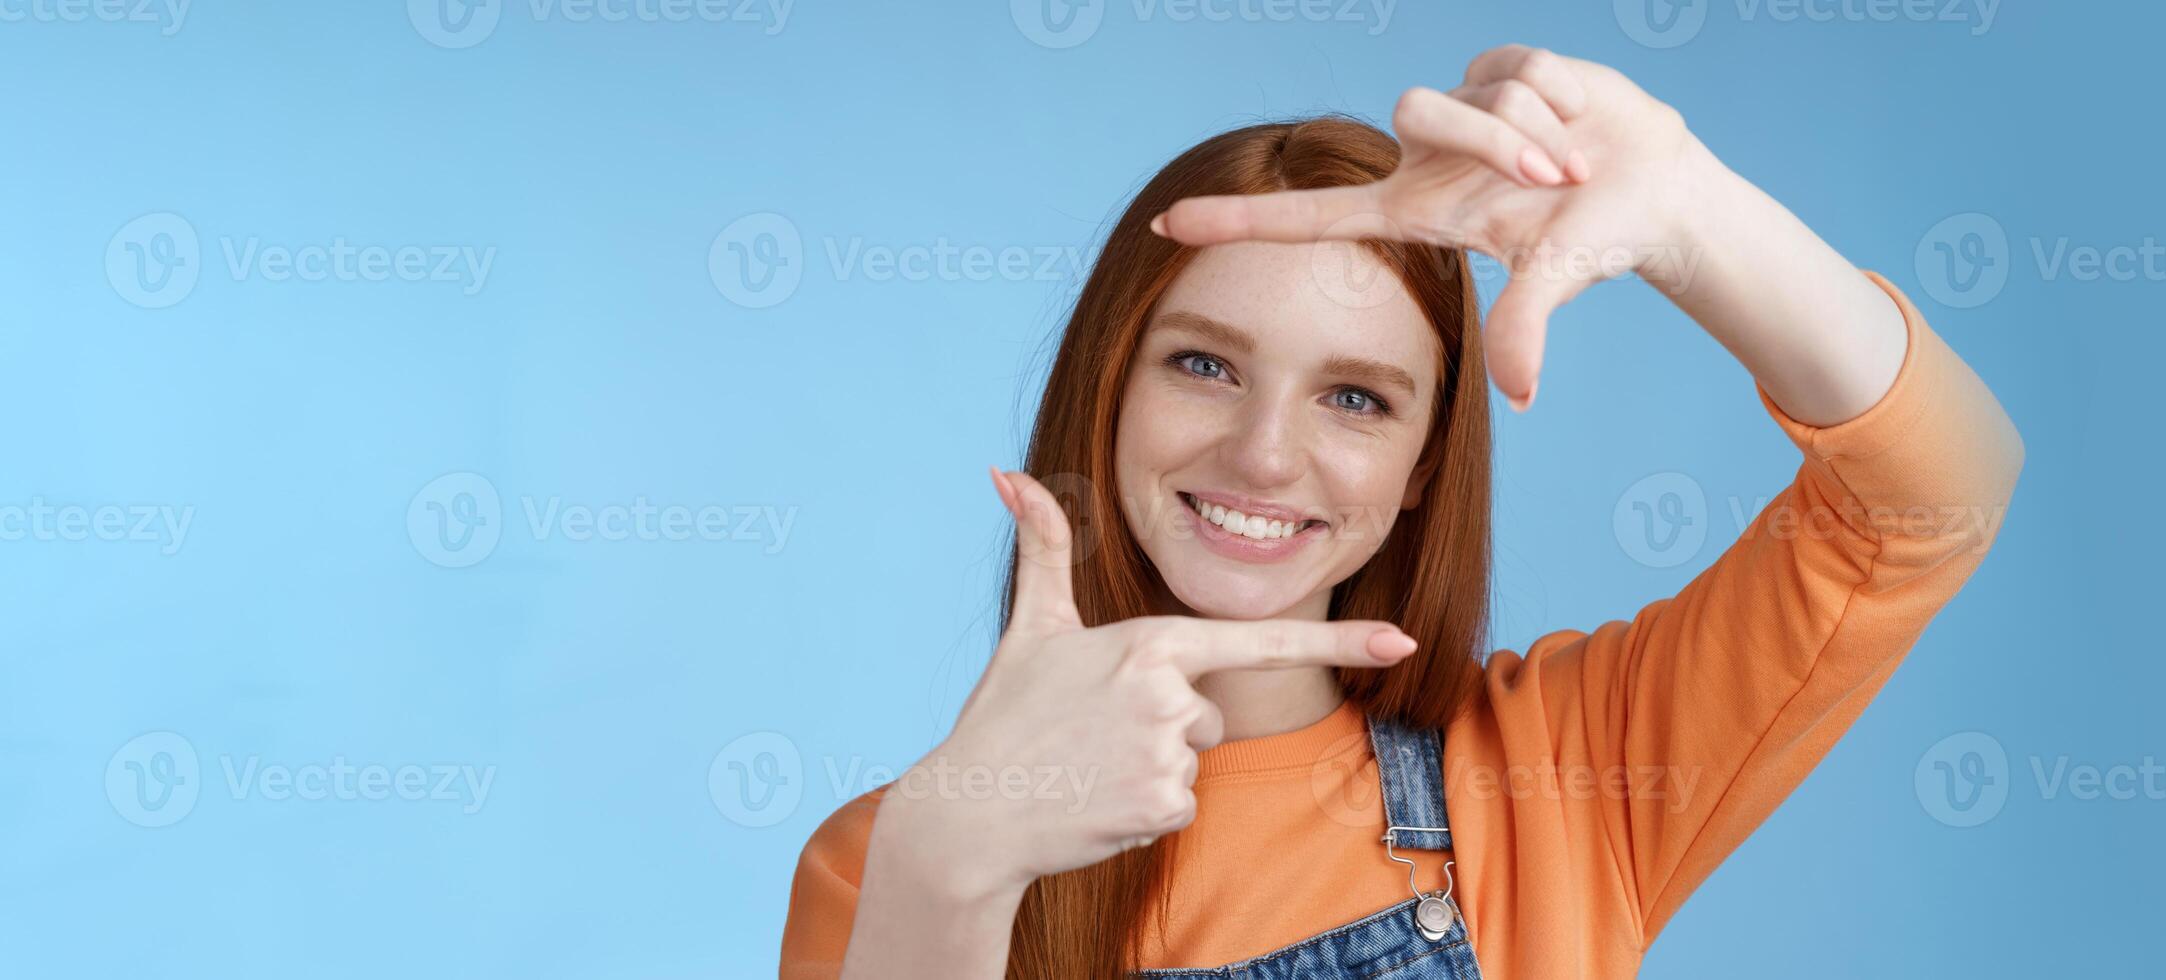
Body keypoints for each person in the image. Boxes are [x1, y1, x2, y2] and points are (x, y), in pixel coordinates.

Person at [781, 44, 2023, 980]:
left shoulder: (1564, 776)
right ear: (1106, 390)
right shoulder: (893, 850)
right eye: (1203, 364)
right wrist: (948, 870)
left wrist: (1693, 217)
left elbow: (1935, 491)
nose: (1266, 453)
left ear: (1426, 462)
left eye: (1356, 398)